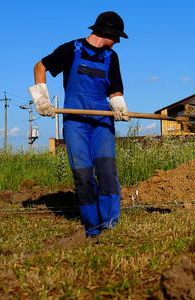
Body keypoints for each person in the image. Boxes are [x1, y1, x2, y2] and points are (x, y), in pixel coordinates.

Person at [29, 11, 130, 237]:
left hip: (102, 120)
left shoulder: (111, 57)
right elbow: (40, 67)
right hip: (75, 123)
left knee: (106, 171)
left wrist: (119, 104)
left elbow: (114, 89)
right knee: (83, 175)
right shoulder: (71, 49)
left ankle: (110, 224)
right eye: (117, 37)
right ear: (108, 32)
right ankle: (92, 227)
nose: (118, 42)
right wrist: (41, 99)